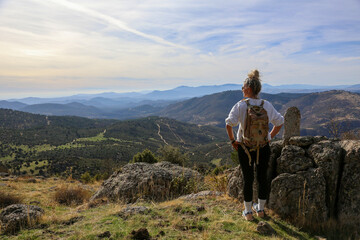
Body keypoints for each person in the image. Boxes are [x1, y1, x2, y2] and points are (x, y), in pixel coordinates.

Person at [225, 69, 284, 221]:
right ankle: (261, 210)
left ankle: (248, 212)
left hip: (244, 147)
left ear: (249, 89)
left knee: (248, 178)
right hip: (263, 147)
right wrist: (269, 136)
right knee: (262, 177)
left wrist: (233, 141)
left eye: (243, 87)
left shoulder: (240, 106)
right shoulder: (267, 105)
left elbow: (229, 124)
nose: (242, 89)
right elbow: (280, 122)